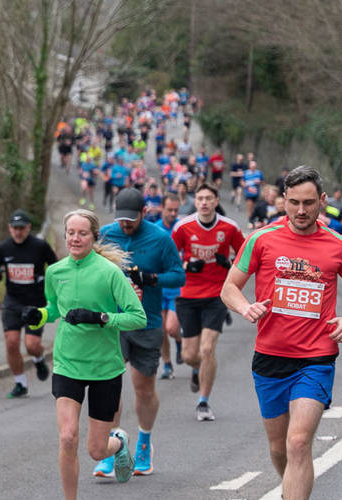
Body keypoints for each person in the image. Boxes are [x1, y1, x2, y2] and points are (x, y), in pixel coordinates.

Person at [221, 166, 342, 500]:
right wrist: (246, 308)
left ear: (323, 201)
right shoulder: (262, 239)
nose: (301, 211)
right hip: (270, 356)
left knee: (299, 442)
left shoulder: (339, 245)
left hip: (316, 358)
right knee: (279, 448)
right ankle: (291, 490)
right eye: (294, 202)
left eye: (309, 203)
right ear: (283, 200)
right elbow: (229, 287)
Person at [23, 209, 145, 498]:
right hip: (68, 363)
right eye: (71, 233)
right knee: (67, 437)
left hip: (105, 367)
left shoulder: (109, 272)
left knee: (96, 450)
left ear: (94, 237)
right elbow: (55, 308)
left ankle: (119, 443)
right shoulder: (55, 272)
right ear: (64, 235)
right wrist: (39, 316)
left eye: (82, 233)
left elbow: (137, 317)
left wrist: (100, 318)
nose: (75, 239)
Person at [94, 188, 184, 477]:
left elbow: (179, 275)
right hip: (113, 322)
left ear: (144, 213)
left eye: (131, 220)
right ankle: (113, 446)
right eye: (121, 219)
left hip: (147, 322)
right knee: (109, 385)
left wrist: (151, 278)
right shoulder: (106, 235)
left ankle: (144, 441)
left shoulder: (160, 239)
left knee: (143, 387)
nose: (125, 224)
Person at [171, 185, 246, 421]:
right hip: (188, 295)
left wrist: (229, 263)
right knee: (190, 355)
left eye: (208, 198)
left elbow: (245, 255)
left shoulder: (229, 227)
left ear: (215, 201)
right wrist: (186, 265)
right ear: (195, 202)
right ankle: (196, 368)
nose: (204, 202)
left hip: (216, 294)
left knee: (207, 348)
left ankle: (203, 402)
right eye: (200, 198)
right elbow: (170, 258)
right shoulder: (182, 227)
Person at [0, 210, 59, 398]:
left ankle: (39, 358)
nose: (18, 232)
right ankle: (20, 383)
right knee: (11, 343)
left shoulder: (40, 246)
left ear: (28, 228)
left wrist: (48, 280)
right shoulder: (3, 248)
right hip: (13, 301)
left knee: (31, 345)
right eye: (14, 228)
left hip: (35, 302)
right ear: (9, 228)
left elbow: (56, 266)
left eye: (21, 228)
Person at [156, 197, 183, 380]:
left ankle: (180, 343)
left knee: (172, 328)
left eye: (176, 210)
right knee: (161, 330)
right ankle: (167, 364)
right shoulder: (154, 229)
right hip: (158, 286)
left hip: (177, 288)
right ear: (162, 208)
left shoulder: (181, 228)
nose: (173, 214)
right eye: (169, 210)